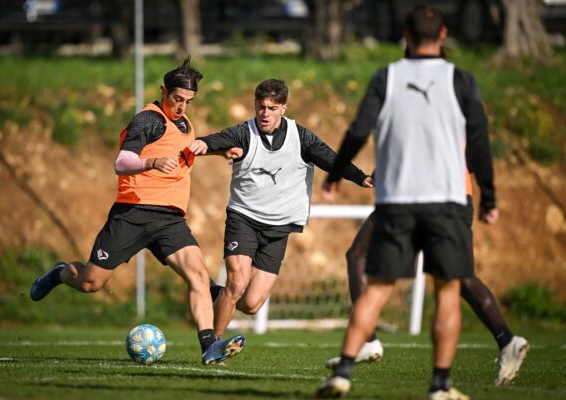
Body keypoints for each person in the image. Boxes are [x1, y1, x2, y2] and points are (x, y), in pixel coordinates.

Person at [316, 5, 506, 399]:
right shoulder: (461, 80)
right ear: (444, 35)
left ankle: (345, 371)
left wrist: (334, 174)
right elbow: (481, 142)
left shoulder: (387, 77)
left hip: (398, 201)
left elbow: (358, 130)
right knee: (447, 291)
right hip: (447, 201)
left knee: (378, 286)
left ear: (405, 34)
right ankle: (440, 386)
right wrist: (488, 195)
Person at [29, 57, 245, 366]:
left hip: (170, 218)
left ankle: (209, 345)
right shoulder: (148, 119)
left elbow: (180, 150)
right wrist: (151, 163)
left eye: (188, 101)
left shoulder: (184, 123)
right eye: (177, 99)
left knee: (199, 276)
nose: (182, 106)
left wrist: (219, 150)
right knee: (91, 282)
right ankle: (62, 273)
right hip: (132, 213)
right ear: (163, 91)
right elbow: (121, 162)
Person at [188, 78, 373, 340]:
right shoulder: (244, 133)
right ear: (255, 105)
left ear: (284, 108)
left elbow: (331, 159)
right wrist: (203, 143)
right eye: (261, 107)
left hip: (279, 229)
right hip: (245, 219)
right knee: (237, 283)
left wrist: (361, 177)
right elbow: (217, 139)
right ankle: (213, 345)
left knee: (251, 304)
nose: (265, 113)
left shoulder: (302, 137)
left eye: (272, 108)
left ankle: (216, 294)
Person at [322, 171, 529, 387]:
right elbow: (476, 153)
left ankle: (367, 346)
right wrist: (488, 199)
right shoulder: (461, 138)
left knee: (364, 261)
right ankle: (505, 341)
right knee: (456, 277)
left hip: (421, 194)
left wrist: (372, 171)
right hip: (453, 196)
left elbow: (402, 145)